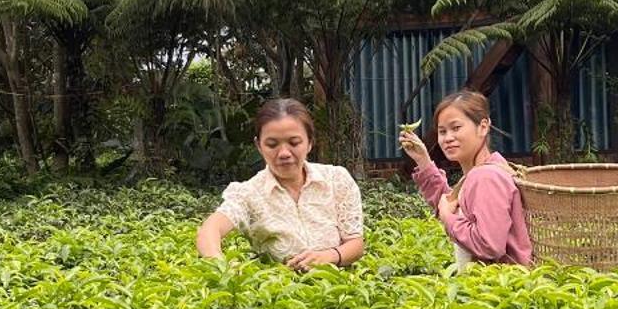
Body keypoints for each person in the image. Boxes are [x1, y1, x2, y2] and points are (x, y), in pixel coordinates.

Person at [196, 98, 365, 269]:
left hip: (338, 285)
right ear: (259, 146)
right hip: (279, 291)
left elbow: (355, 244)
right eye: (272, 144)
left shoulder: (336, 179)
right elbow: (210, 230)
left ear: (310, 142)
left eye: (294, 143)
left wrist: (329, 256)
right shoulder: (249, 193)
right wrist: (222, 267)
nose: (284, 153)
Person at [398, 90, 533, 267]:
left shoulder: (486, 177)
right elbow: (448, 202)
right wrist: (423, 160)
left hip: (498, 289)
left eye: (456, 128)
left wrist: (447, 217)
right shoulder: (482, 171)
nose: (448, 138)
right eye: (442, 131)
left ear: (483, 127)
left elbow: (489, 245)